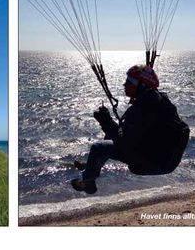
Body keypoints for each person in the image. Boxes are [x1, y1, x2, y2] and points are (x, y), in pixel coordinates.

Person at [70, 64, 189, 194]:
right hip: (165, 160)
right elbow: (129, 136)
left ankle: (88, 182)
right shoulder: (161, 101)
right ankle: (91, 167)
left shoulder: (141, 109)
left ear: (141, 85)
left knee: (98, 148)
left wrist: (106, 121)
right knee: (108, 140)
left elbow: (125, 143)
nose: (124, 84)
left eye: (129, 81)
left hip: (150, 164)